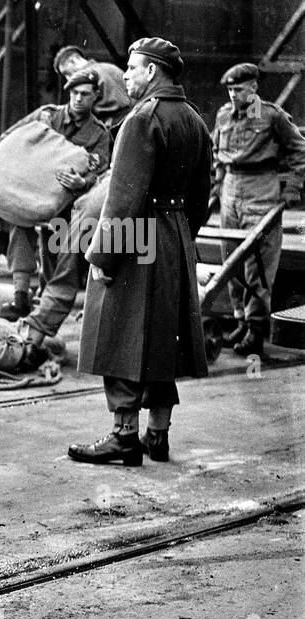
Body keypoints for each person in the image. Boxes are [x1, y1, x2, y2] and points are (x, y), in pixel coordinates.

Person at [70, 37, 211, 466]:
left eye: (130, 69)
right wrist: (181, 236)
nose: (125, 77)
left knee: (121, 334)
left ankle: (124, 435)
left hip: (136, 238)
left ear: (151, 71)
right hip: (174, 236)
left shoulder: (141, 119)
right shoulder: (195, 120)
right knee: (163, 337)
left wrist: (103, 258)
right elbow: (202, 195)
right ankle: (158, 434)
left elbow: (122, 199)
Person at [0, 69, 111, 322]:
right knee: (18, 222)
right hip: (29, 192)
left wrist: (82, 182)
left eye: (85, 94)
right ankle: (21, 294)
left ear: (96, 97)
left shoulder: (98, 134)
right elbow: (10, 136)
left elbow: (100, 172)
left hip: (66, 203)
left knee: (54, 245)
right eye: (75, 93)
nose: (79, 99)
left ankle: (46, 298)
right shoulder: (47, 115)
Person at [209, 62, 305, 357]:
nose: (233, 95)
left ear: (254, 87)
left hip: (261, 188)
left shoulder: (272, 116)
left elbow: (299, 150)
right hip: (231, 190)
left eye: (239, 90)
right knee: (231, 260)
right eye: (230, 90)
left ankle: (255, 329)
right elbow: (217, 154)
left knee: (258, 266)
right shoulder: (224, 115)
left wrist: (291, 188)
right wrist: (216, 187)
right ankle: (240, 320)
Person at [53, 45, 132, 132]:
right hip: (129, 123)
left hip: (108, 129)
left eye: (66, 73)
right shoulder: (111, 67)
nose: (68, 78)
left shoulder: (84, 77)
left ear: (73, 61)